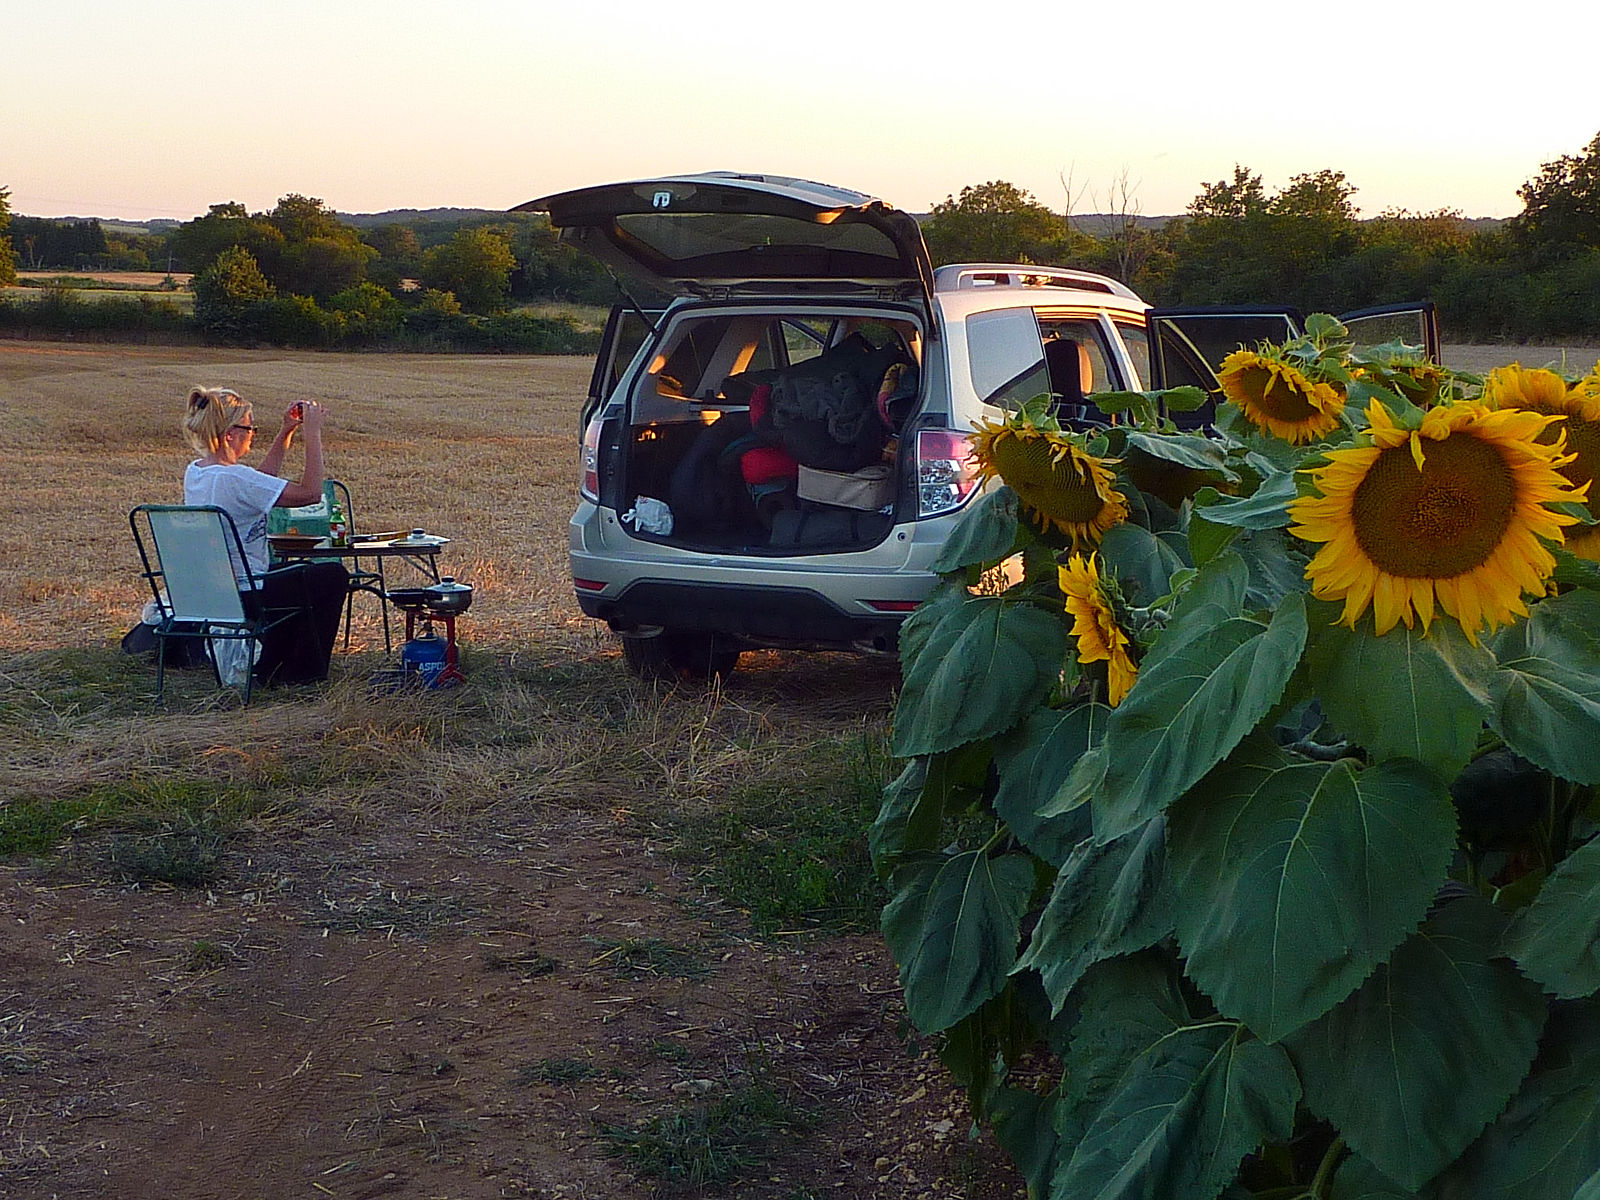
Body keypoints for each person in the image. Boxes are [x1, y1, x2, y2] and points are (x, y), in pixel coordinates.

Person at [181, 386, 349, 685]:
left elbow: (258, 484)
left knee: (297, 576)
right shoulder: (234, 477)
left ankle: (274, 664)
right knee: (331, 576)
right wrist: (313, 434)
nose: (252, 434)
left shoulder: (197, 472)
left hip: (216, 592)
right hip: (248, 592)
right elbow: (311, 493)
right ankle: (303, 674)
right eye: (249, 428)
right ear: (230, 434)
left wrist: (286, 431)